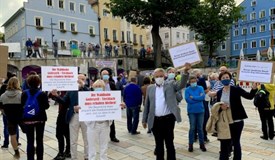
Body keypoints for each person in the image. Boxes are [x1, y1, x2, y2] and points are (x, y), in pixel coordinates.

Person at [142, 63, 191, 160]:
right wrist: (144, 120)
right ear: (153, 77)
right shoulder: (150, 88)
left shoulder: (171, 84)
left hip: (168, 119)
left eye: (161, 76)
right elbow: (147, 104)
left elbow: (181, 84)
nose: (159, 78)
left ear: (164, 76)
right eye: (157, 76)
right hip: (155, 120)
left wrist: (185, 72)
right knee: (158, 144)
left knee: (169, 143)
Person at [215, 71, 258, 160]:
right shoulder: (219, 92)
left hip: (236, 121)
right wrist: (221, 107)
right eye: (223, 78)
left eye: (227, 77)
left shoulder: (236, 89)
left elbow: (249, 96)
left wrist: (254, 89)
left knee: (235, 142)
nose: (225, 79)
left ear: (230, 79)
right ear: (220, 80)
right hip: (225, 122)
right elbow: (217, 106)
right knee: (224, 142)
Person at [50, 74, 89, 160]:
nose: (81, 80)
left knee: (86, 138)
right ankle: (74, 157)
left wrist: (82, 87)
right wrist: (56, 95)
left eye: (83, 79)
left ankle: (87, 157)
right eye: (79, 78)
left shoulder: (87, 90)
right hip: (74, 116)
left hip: (85, 117)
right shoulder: (70, 90)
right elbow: (64, 102)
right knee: (73, 139)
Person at [21, 75, 50, 160]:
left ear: (28, 83)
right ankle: (40, 158)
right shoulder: (42, 93)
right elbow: (46, 106)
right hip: (40, 119)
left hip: (27, 119)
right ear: (38, 83)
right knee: (39, 140)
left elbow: (22, 105)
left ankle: (30, 158)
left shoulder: (24, 93)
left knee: (30, 141)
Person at [85, 80, 113, 160]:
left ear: (103, 88)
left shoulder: (108, 98)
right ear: (93, 88)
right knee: (92, 147)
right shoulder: (88, 98)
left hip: (105, 124)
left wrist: (119, 106)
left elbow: (113, 108)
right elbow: (85, 110)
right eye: (96, 87)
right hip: (93, 125)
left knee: (104, 146)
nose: (98, 88)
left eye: (100, 87)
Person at [0, 77, 22, 159]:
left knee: (12, 135)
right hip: (21, 117)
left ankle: (16, 152)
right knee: (28, 132)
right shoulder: (21, 95)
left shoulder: (2, 96)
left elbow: (1, 108)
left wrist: (6, 113)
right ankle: (31, 146)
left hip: (10, 118)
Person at [185, 76, 207, 152]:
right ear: (189, 82)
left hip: (200, 110)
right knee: (192, 128)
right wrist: (198, 98)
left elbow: (203, 97)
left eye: (194, 81)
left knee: (200, 128)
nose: (193, 83)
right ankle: (190, 144)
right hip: (191, 111)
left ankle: (202, 144)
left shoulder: (200, 88)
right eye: (192, 82)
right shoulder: (187, 90)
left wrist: (193, 97)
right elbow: (188, 100)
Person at [49, 91, 71, 160]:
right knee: (65, 134)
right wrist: (53, 94)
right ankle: (66, 151)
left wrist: (56, 96)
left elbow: (64, 102)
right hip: (63, 114)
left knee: (61, 134)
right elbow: (51, 96)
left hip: (65, 114)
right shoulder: (62, 91)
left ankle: (62, 153)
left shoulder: (68, 92)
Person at [101, 70, 120, 142]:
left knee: (112, 122)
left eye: (107, 74)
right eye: (104, 74)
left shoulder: (112, 84)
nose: (105, 76)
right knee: (102, 122)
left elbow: (116, 94)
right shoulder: (98, 83)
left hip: (110, 105)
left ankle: (113, 136)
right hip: (102, 106)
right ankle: (102, 137)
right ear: (101, 75)